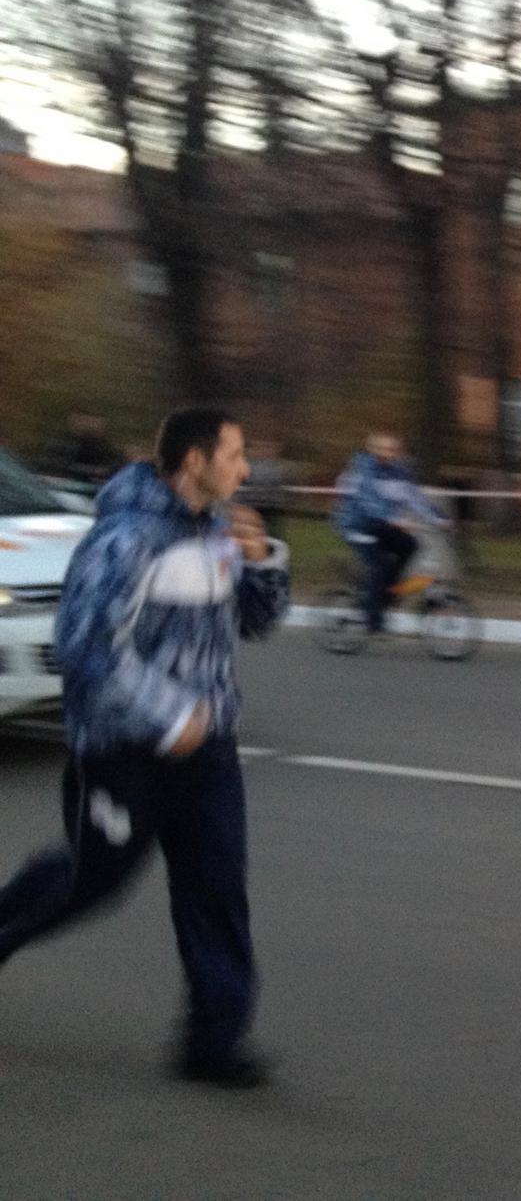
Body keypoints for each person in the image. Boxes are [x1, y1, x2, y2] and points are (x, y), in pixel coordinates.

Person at [0, 407, 290, 1087]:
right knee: (89, 880)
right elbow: (85, 648)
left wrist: (262, 558)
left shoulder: (216, 532)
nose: (246, 470)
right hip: (125, 751)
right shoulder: (125, 540)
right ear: (195, 462)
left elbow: (257, 622)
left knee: (216, 886)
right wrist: (168, 714)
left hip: (207, 749)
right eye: (235, 455)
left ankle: (213, 1043)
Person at [333, 432, 445, 637]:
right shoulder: (362, 470)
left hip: (383, 525)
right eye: (383, 448)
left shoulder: (400, 471)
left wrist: (437, 518)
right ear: (372, 449)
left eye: (393, 449)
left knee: (410, 545)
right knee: (381, 564)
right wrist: (392, 518)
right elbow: (367, 501)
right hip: (357, 526)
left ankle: (385, 592)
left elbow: (414, 498)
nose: (388, 453)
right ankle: (373, 622)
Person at [39, 411, 123, 490]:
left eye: (93, 422)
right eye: (85, 421)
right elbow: (53, 465)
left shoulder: (105, 447)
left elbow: (113, 468)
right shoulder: (61, 443)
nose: (89, 425)